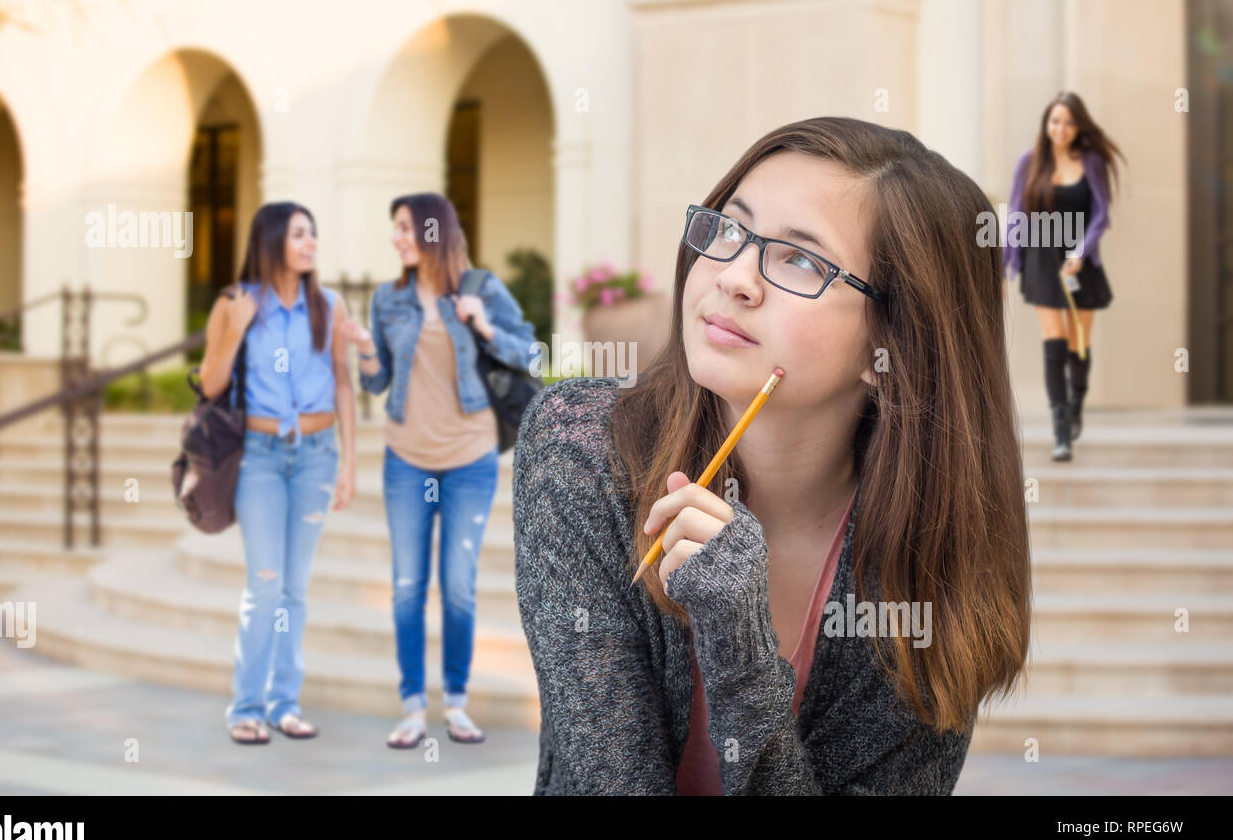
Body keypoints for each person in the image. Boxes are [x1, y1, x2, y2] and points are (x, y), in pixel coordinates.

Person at [514, 117, 1032, 794]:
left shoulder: (925, 563)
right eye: (731, 229)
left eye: (801, 260)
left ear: (894, 347)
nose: (733, 277)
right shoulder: (581, 448)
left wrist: (739, 637)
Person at [342, 192, 538, 749]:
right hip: (406, 458)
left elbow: (533, 355)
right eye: (394, 228)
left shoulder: (480, 289)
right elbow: (378, 383)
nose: (396, 237)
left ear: (431, 231)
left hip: (470, 458)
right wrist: (364, 352)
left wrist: (485, 329)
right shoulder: (388, 299)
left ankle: (455, 703)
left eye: (403, 227)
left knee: (457, 586)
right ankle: (411, 707)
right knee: (406, 589)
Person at [199, 201, 357, 745]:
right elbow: (211, 384)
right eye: (298, 234)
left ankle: (284, 703)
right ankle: (246, 706)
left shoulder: (329, 306)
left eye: (313, 232)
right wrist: (234, 331)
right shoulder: (234, 303)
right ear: (270, 242)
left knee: (295, 588)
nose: (311, 242)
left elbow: (343, 384)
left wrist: (350, 461)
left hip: (315, 455)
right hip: (260, 458)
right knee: (264, 585)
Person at [1002, 91, 1124, 461]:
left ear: (1078, 126)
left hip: (1079, 262)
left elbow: (1102, 214)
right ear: (1046, 124)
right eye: (1055, 120)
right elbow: (1017, 215)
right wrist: (1006, 267)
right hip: (1041, 258)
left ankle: (1075, 404)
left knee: (1078, 343)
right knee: (1054, 341)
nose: (1061, 128)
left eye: (1069, 122)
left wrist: (1081, 252)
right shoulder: (1030, 161)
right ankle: (1061, 433)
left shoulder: (1091, 162)